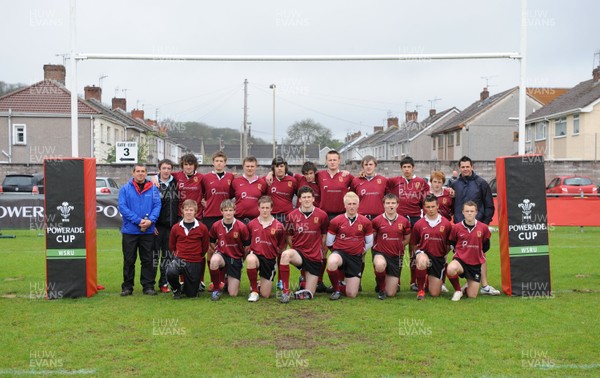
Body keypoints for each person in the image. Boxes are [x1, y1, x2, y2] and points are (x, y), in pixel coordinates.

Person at [450, 156, 498, 296]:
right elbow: (452, 205)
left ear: (472, 167)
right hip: (461, 227)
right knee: (459, 254)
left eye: (467, 166)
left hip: (478, 227)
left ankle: (484, 285)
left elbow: (489, 205)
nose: (465, 169)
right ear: (459, 168)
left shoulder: (481, 183)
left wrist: (484, 224)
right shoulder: (455, 184)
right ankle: (465, 283)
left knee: (480, 255)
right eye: (463, 167)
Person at [279, 186, 329, 303]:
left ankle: (303, 283)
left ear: (313, 199)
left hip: (314, 257)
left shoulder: (322, 215)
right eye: (304, 197)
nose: (306, 199)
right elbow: (288, 236)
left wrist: (322, 251)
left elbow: (324, 235)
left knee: (309, 294)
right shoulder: (291, 216)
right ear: (299, 200)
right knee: (286, 255)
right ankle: (285, 292)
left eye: (309, 197)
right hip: (299, 254)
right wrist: (294, 249)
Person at [118, 164, 162, 296]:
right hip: (130, 231)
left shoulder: (153, 189)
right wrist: (138, 221)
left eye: (143, 171)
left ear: (146, 173)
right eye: (138, 171)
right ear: (133, 173)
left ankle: (148, 286)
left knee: (147, 260)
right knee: (129, 260)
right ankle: (127, 287)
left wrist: (150, 221)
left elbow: (157, 205)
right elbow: (122, 207)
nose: (140, 173)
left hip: (147, 231)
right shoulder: (125, 189)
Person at [387, 156, 430, 291]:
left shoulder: (421, 182)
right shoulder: (394, 181)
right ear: (401, 168)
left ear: (413, 167)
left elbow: (426, 200)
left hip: (415, 218)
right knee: (398, 249)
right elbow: (380, 185)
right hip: (399, 219)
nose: (406, 169)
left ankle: (413, 282)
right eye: (404, 167)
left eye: (409, 167)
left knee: (413, 251)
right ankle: (397, 281)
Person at [326, 192, 374, 300]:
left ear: (358, 205)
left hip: (355, 257)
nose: (351, 206)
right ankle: (336, 289)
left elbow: (369, 242)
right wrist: (335, 252)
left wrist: (361, 250)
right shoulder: (336, 221)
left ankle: (340, 285)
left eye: (354, 204)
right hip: (340, 254)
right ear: (345, 205)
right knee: (332, 261)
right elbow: (329, 242)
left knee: (351, 294)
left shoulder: (366, 222)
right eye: (349, 204)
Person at [172, 153, 206, 291]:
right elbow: (161, 174)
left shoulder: (202, 178)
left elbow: (209, 192)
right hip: (181, 216)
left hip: (197, 217)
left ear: (195, 165)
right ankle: (181, 280)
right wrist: (155, 179)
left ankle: (201, 280)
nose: (188, 167)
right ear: (182, 165)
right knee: (182, 248)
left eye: (191, 164)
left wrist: (206, 202)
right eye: (186, 164)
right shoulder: (176, 176)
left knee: (199, 250)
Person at [412, 194, 456, 300]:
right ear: (424, 207)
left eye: (432, 206)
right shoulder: (419, 224)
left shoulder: (446, 224)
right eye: (428, 207)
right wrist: (418, 254)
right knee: (422, 261)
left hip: (438, 258)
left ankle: (428, 281)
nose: (430, 209)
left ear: (437, 206)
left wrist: (444, 254)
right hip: (424, 253)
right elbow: (414, 243)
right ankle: (420, 290)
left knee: (435, 293)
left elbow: (450, 243)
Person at [447, 201, 492, 301]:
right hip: (460, 260)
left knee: (472, 296)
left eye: (472, 211)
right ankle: (458, 291)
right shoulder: (457, 227)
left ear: (476, 212)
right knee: (451, 269)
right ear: (462, 212)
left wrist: (477, 252)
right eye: (467, 211)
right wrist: (458, 252)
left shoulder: (483, 228)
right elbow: (452, 242)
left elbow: (486, 245)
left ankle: (466, 288)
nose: (469, 213)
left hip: (475, 264)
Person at [245, 196, 287, 302]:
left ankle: (260, 284)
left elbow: (282, 245)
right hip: (256, 256)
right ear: (258, 208)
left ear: (271, 208)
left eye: (267, 208)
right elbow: (247, 242)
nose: (264, 210)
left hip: (269, 260)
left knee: (265, 294)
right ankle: (254, 291)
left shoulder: (279, 226)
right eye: (262, 207)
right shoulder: (251, 224)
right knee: (250, 259)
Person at [166, 200, 210, 299]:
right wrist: (178, 256)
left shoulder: (202, 228)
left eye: (191, 210)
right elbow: (172, 246)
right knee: (171, 271)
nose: (189, 212)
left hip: (194, 261)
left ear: (195, 211)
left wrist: (197, 255)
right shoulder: (176, 227)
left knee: (191, 295)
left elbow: (205, 247)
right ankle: (176, 289)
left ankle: (187, 286)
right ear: (182, 211)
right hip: (180, 259)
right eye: (186, 210)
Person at [208, 199, 250, 301]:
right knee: (214, 261)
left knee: (233, 294)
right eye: (225, 210)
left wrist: (241, 260)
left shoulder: (242, 227)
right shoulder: (216, 225)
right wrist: (216, 252)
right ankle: (216, 290)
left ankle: (227, 280)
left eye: (230, 210)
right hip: (222, 255)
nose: (228, 213)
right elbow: (212, 242)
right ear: (221, 211)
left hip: (235, 259)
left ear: (234, 211)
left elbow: (247, 247)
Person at [370, 193, 411, 300]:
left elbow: (407, 237)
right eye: (387, 203)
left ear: (397, 205)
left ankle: (381, 283)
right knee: (380, 264)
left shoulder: (404, 221)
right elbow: (371, 238)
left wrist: (398, 245)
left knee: (391, 293)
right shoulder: (376, 221)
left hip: (395, 256)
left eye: (393, 203)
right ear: (383, 205)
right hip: (380, 253)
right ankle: (381, 289)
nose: (390, 205)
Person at [154, 159, 179, 293]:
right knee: (153, 256)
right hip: (157, 227)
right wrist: (153, 224)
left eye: (169, 168)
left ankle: (164, 283)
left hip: (171, 227)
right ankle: (149, 284)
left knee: (168, 257)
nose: (166, 171)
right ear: (159, 169)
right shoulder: (153, 184)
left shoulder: (176, 182)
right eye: (164, 168)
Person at [200, 151, 234, 231]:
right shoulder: (206, 177)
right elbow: (201, 192)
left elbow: (232, 194)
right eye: (217, 161)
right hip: (210, 214)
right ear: (213, 162)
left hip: (225, 214)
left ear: (225, 163)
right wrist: (204, 201)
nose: (219, 163)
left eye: (221, 161)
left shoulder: (230, 176)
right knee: (210, 241)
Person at [230, 156, 267, 224]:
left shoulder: (262, 182)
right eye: (247, 166)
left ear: (256, 167)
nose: (250, 168)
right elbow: (228, 197)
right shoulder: (236, 181)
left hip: (256, 220)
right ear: (243, 167)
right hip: (239, 220)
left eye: (252, 166)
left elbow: (265, 200)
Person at [351, 155, 388, 220]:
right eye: (366, 164)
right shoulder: (356, 181)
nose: (368, 167)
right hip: (361, 217)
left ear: (375, 165)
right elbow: (351, 198)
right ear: (363, 166)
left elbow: (389, 198)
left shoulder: (383, 180)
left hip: (379, 217)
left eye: (371, 164)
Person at [268, 156, 297, 225]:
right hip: (272, 216)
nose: (279, 168)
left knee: (289, 236)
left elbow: (300, 195)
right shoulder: (268, 180)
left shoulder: (292, 180)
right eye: (277, 166)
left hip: (288, 216)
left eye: (281, 166)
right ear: (273, 168)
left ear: (285, 167)